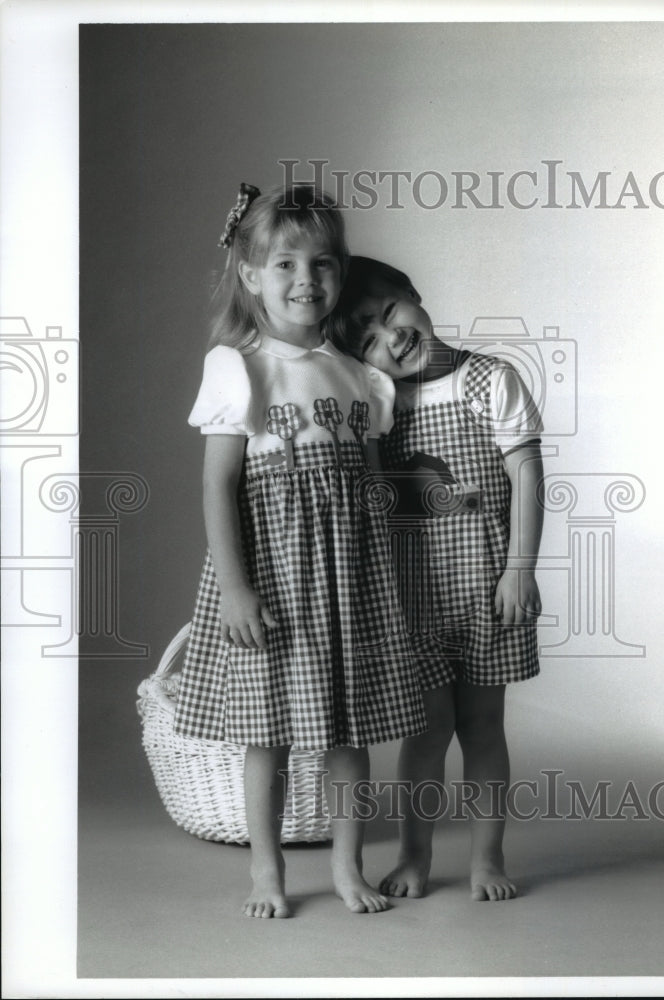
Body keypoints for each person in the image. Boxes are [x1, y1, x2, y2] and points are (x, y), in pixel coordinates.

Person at [173, 190, 426, 918]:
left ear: (339, 276)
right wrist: (235, 589)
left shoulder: (359, 374)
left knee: (348, 734)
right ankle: (266, 870)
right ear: (251, 275)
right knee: (269, 734)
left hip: (350, 579)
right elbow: (220, 482)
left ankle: (348, 868)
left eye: (321, 263)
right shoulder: (239, 366)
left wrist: (387, 570)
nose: (303, 278)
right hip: (275, 577)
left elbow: (372, 486)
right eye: (282, 262)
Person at [331, 256, 544, 902]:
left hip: (486, 588)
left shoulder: (489, 379)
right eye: (365, 339)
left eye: (387, 314)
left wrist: (519, 568)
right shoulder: (379, 403)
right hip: (411, 598)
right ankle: (414, 857)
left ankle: (487, 859)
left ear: (413, 295)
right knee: (424, 732)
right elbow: (371, 491)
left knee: (481, 728)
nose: (387, 337)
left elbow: (527, 475)